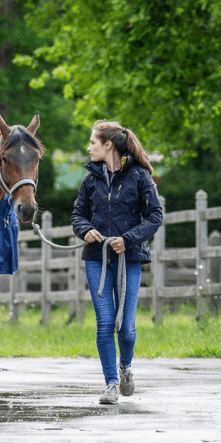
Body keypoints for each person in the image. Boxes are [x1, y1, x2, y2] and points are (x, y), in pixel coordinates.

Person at [71, 121, 163, 404]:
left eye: (92, 143)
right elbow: (78, 216)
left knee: (126, 328)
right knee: (104, 323)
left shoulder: (139, 176)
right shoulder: (89, 180)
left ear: (107, 145)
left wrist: (129, 239)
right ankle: (110, 384)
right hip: (97, 259)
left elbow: (155, 216)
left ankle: (126, 368)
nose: (88, 148)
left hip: (129, 258)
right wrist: (85, 230)